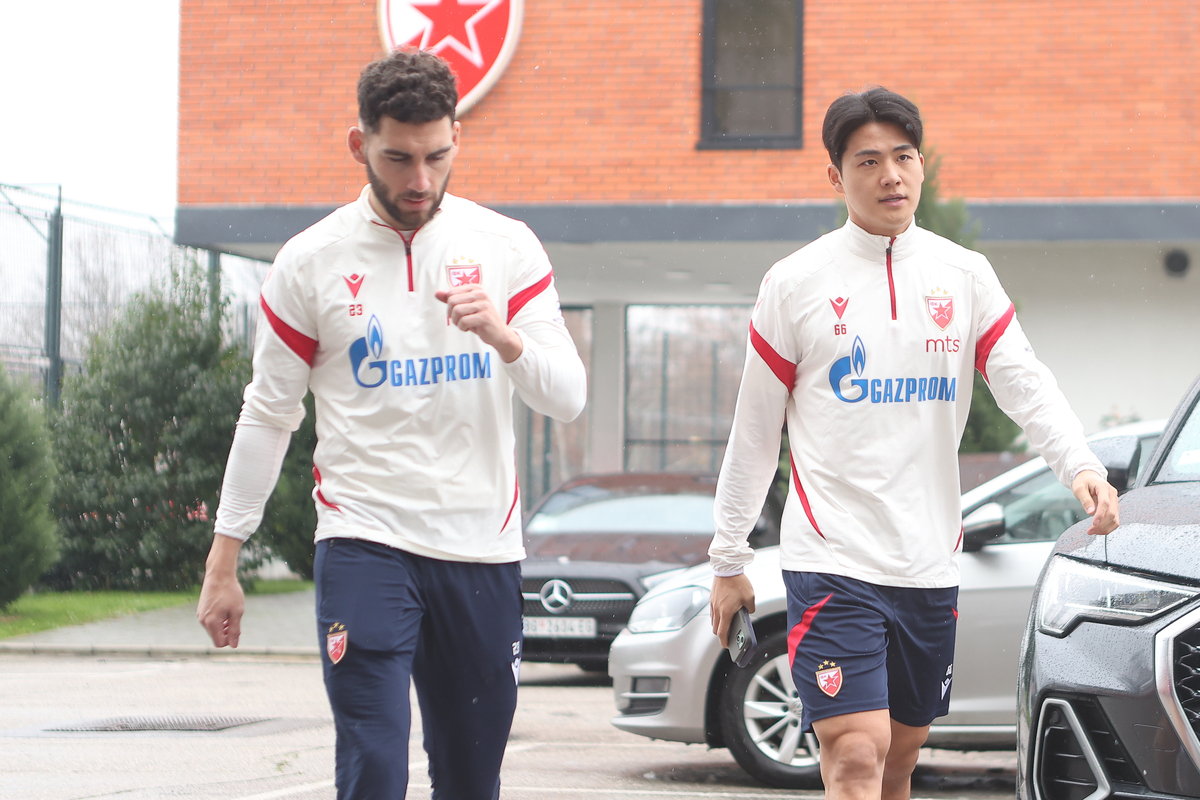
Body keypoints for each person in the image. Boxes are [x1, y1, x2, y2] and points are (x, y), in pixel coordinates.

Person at [196, 49, 587, 799]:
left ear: (457, 139)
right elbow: (269, 414)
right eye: (398, 158)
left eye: (437, 156)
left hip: (481, 547)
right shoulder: (308, 263)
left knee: (471, 779)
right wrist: (224, 562)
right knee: (375, 765)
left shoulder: (506, 247)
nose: (420, 181)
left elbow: (566, 396)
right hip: (364, 540)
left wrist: (505, 337)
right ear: (359, 144)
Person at [708, 87, 1119, 800]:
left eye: (903, 157)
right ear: (836, 178)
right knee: (856, 754)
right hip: (831, 559)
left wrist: (1077, 464)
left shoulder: (964, 277)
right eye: (868, 161)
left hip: (928, 563)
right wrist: (728, 557)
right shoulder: (795, 284)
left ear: (921, 164)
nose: (890, 175)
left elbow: (1023, 381)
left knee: (898, 758)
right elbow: (754, 431)